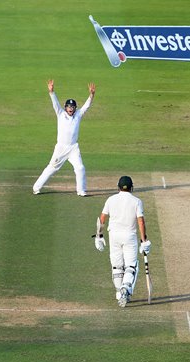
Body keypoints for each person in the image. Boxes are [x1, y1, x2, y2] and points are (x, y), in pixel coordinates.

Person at [95, 176, 152, 308]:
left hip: (113, 236)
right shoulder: (136, 201)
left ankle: (119, 292)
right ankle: (125, 289)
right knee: (131, 266)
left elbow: (102, 219)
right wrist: (144, 241)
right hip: (129, 236)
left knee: (117, 266)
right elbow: (140, 221)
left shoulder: (111, 199)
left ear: (118, 187)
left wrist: (99, 236)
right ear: (132, 187)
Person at [33, 79, 95, 196]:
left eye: (73, 107)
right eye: (69, 107)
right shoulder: (60, 114)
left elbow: (87, 106)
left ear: (75, 108)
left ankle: (81, 190)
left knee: (80, 168)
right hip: (61, 148)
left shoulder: (78, 115)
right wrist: (51, 92)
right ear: (65, 107)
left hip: (73, 148)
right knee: (52, 168)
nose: (71, 109)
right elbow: (55, 103)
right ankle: (36, 187)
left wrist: (91, 95)